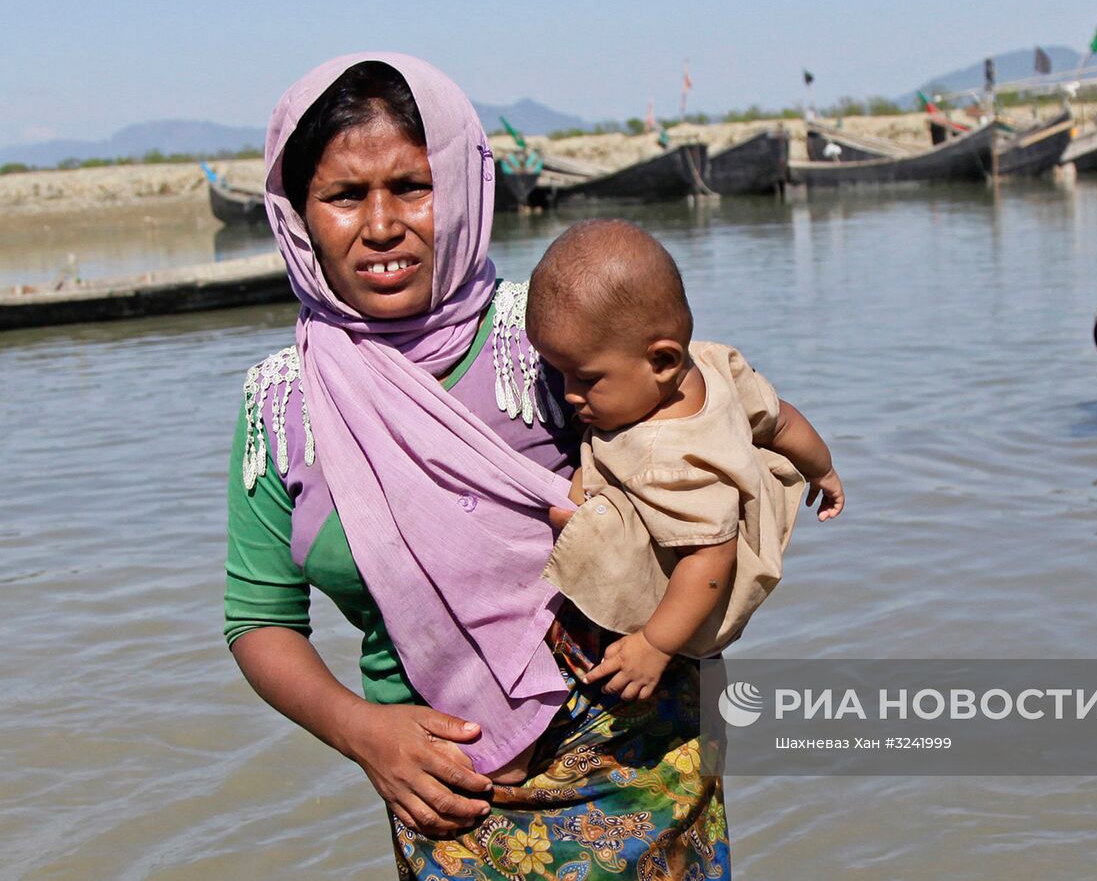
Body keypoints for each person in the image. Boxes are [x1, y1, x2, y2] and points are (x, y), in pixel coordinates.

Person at [224, 53, 729, 879]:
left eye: (412, 187)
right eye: (345, 197)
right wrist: (363, 734)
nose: (380, 225)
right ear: (300, 215)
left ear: (461, 186)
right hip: (442, 796)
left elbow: (715, 457)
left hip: (638, 762)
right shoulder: (281, 404)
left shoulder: (555, 333)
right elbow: (259, 620)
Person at [524, 219, 844, 704]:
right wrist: (823, 468)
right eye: (559, 372)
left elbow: (710, 558)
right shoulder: (711, 364)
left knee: (575, 518)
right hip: (699, 554)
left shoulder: (669, 458)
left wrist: (654, 645)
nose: (568, 393)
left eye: (585, 378)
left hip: (691, 596)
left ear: (662, 362)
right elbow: (779, 421)